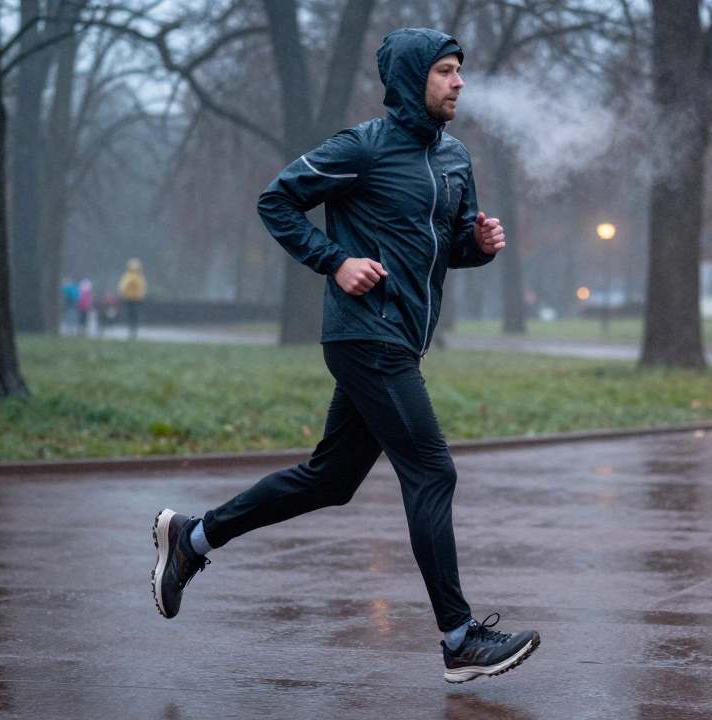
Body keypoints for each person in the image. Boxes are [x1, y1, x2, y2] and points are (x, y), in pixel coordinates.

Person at [151, 28, 539, 684]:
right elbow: (276, 201)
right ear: (415, 79)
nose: (459, 82)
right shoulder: (361, 148)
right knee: (432, 472)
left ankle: (191, 540)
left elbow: (447, 248)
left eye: (460, 71)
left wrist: (480, 245)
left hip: (400, 340)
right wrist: (335, 262)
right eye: (446, 71)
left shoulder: (454, 161)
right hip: (365, 337)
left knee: (331, 481)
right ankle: (458, 638)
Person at [118, 259, 148, 340]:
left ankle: (132, 329)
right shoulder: (139, 277)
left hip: (129, 299)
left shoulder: (127, 276)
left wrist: (122, 295)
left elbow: (122, 287)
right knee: (135, 315)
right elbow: (143, 288)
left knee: (131, 315)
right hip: (137, 299)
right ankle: (133, 329)